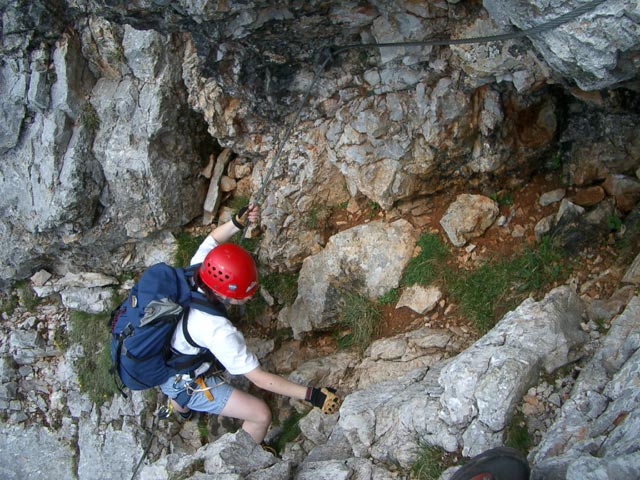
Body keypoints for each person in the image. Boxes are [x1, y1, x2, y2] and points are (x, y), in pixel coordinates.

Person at [160, 204, 340, 445]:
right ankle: (241, 459)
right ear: (225, 294)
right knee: (260, 414)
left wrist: (236, 222)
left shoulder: (199, 267)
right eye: (246, 293)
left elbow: (213, 239)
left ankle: (180, 407)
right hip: (185, 377)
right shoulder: (217, 330)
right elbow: (259, 378)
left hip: (164, 355)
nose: (251, 296)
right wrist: (312, 395)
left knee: (181, 378)